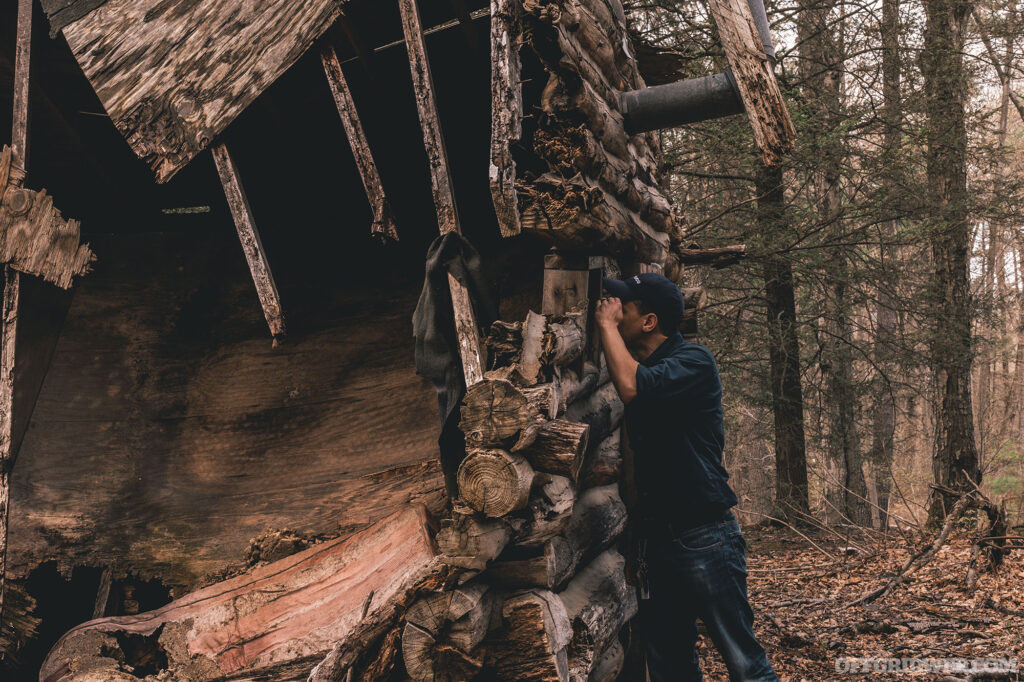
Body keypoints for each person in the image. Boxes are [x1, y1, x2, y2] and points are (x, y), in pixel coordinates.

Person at [595, 272, 778, 682]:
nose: (612, 307)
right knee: (670, 667)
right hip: (657, 543)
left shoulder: (694, 362)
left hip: (705, 536)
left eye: (623, 304)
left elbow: (630, 386)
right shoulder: (647, 363)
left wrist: (606, 327)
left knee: (745, 664)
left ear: (649, 321)